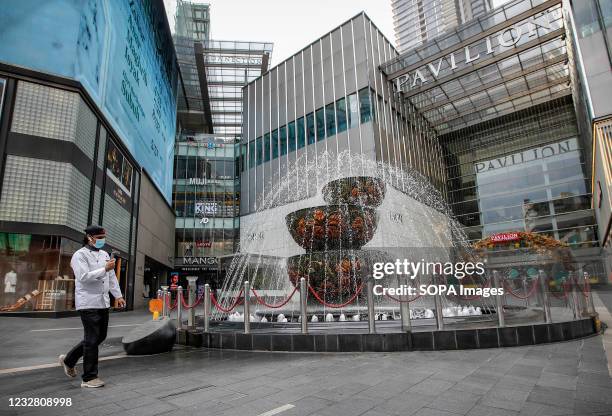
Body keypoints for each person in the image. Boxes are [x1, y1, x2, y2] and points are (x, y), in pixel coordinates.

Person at [58, 225, 126, 388]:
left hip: (103, 302)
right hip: (88, 302)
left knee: (100, 337)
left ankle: (69, 360)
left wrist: (118, 295)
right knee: (92, 338)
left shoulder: (103, 254)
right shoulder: (79, 255)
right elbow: (83, 277)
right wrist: (104, 268)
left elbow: (111, 277)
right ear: (89, 237)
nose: (102, 240)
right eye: (100, 237)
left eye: (104, 237)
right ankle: (89, 378)